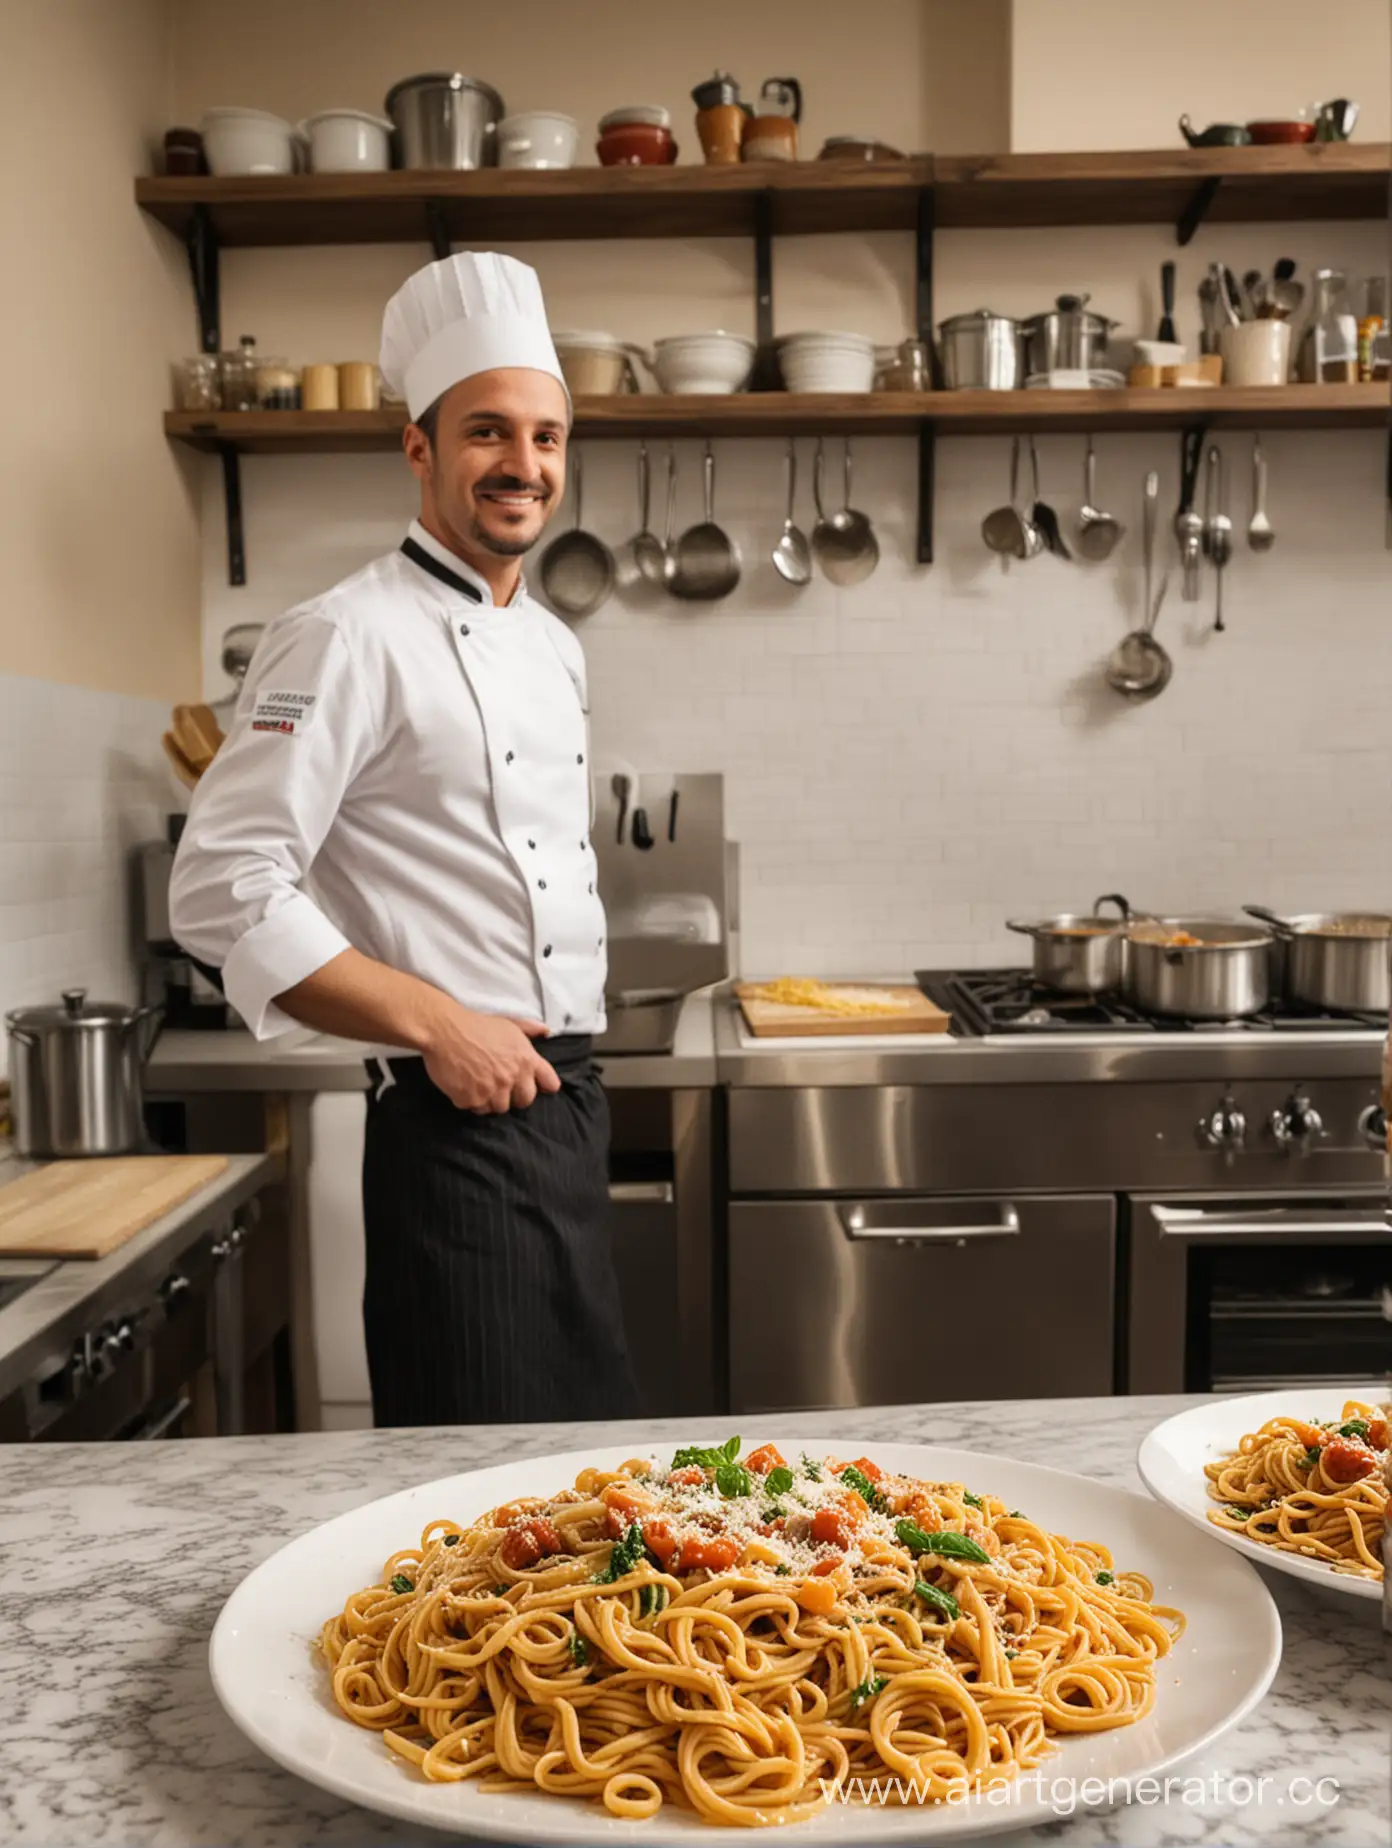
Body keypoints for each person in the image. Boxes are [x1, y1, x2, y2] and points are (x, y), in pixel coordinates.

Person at [170, 251, 638, 1427]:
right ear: (419, 446)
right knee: (477, 1505)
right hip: (454, 1122)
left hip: (569, 1109)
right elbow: (223, 889)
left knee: (582, 1494)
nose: (523, 467)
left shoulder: (555, 643)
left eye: (546, 437)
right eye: (488, 433)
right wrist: (442, 1025)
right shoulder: (342, 635)